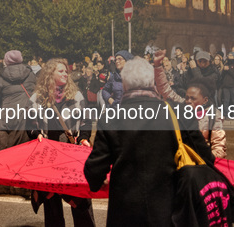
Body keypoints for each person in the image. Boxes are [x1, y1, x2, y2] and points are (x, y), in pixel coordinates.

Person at [84, 57, 215, 226]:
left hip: (125, 215)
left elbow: (94, 170)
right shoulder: (179, 113)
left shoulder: (110, 118)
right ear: (152, 82)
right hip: (171, 213)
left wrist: (99, 181)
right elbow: (206, 159)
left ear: (124, 85)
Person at [32, 59, 95, 227]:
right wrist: (37, 134)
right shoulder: (38, 98)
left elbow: (86, 121)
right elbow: (30, 123)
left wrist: (84, 138)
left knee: (79, 196)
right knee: (52, 201)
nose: (65, 73)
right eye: (60, 71)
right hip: (49, 155)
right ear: (50, 74)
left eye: (66, 71)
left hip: (71, 151)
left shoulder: (76, 96)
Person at [155, 51, 227, 158]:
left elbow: (219, 148)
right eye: (187, 97)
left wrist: (203, 162)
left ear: (205, 100)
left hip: (202, 163)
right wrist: (157, 66)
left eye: (193, 98)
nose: (188, 101)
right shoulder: (182, 106)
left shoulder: (213, 116)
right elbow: (165, 90)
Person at [0, 50, 37, 151]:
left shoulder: (1, 77)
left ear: (6, 61)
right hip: (26, 119)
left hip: (6, 120)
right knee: (24, 156)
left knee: (3, 157)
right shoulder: (31, 75)